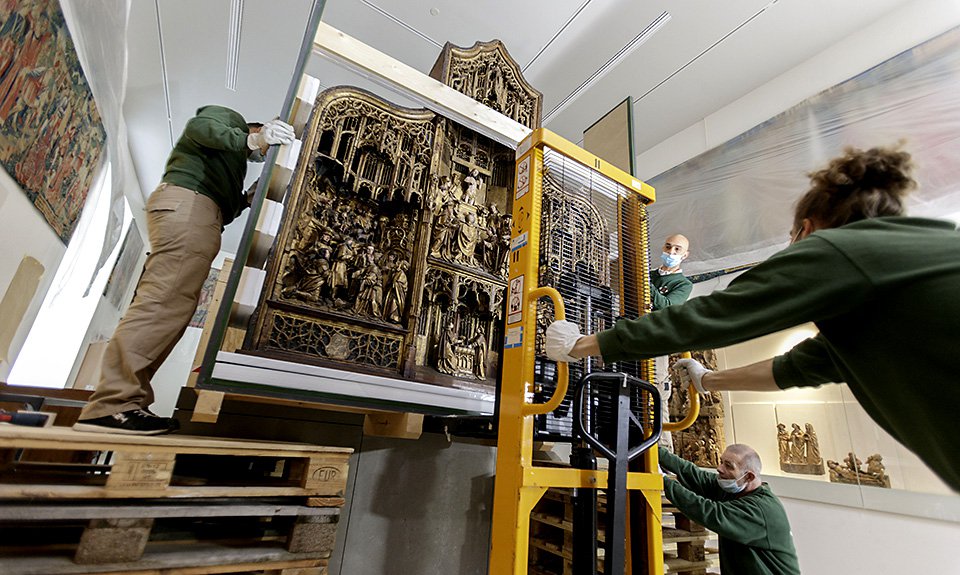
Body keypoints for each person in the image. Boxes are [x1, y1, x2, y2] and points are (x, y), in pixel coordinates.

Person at [545, 144, 960, 492]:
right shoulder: (897, 268)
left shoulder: (841, 249)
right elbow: (794, 368)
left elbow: (709, 315)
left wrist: (581, 345)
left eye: (792, 240)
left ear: (807, 230)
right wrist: (709, 380)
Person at [73, 105, 294, 435]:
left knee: (172, 309)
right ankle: (112, 405)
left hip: (200, 214)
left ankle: (125, 401)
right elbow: (201, 127)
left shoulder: (226, 164)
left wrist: (248, 198)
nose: (261, 153)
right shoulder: (225, 119)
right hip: (188, 207)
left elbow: (227, 205)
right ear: (252, 126)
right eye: (264, 148)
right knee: (163, 304)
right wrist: (254, 138)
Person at [659, 444, 801, 574]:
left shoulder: (760, 509)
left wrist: (663, 480)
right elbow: (695, 475)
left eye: (728, 466)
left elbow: (709, 512)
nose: (719, 468)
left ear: (749, 476)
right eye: (721, 462)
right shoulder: (734, 489)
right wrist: (656, 452)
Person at [650, 233, 693, 310]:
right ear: (663, 248)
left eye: (677, 249)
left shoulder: (684, 284)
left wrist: (646, 285)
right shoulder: (649, 274)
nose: (670, 251)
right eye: (668, 247)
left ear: (685, 255)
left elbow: (667, 307)